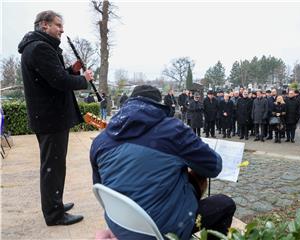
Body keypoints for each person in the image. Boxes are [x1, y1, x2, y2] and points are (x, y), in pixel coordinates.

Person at [90, 85, 236, 240]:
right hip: (160, 230)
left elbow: (100, 186)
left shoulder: (100, 141)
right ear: (159, 104)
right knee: (225, 204)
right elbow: (214, 166)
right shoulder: (172, 129)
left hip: (120, 226)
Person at [18, 10, 93, 225]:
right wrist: (84, 79)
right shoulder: (40, 48)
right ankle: (54, 214)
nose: (62, 30)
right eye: (58, 25)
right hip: (51, 118)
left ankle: (55, 203)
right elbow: (59, 81)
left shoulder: (38, 47)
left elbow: (54, 75)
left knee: (54, 165)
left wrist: (73, 69)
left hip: (49, 116)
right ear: (44, 26)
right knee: (53, 166)